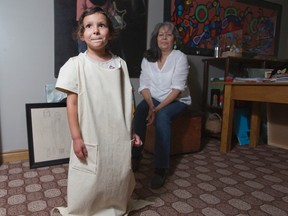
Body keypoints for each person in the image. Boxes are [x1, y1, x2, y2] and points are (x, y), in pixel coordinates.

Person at [53, 6, 149, 215]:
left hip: (117, 133)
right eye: (89, 26)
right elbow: (72, 104)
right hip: (90, 132)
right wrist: (76, 137)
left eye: (101, 25)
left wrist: (131, 131)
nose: (95, 30)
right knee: (89, 176)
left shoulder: (120, 64)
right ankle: (86, 208)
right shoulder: (75, 65)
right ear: (81, 34)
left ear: (110, 33)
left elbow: (127, 100)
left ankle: (114, 205)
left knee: (117, 172)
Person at [132, 21, 191, 189]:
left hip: (177, 100)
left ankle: (161, 168)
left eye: (169, 34)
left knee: (163, 116)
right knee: (141, 109)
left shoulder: (180, 57)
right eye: (160, 34)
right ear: (155, 38)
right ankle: (136, 155)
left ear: (174, 40)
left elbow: (177, 89)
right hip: (154, 99)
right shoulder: (148, 58)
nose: (164, 37)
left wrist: (157, 109)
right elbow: (143, 85)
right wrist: (151, 106)